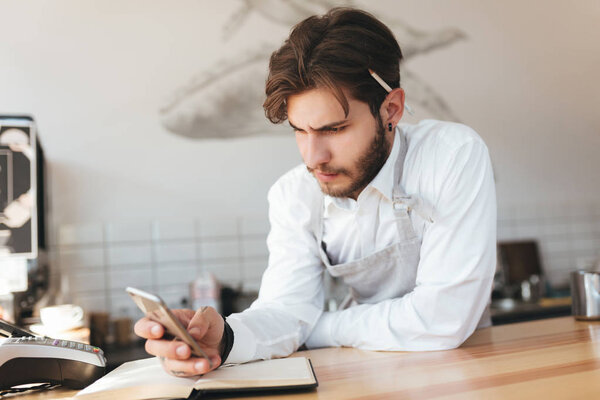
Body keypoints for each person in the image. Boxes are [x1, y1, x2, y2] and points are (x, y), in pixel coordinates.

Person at [135, 7, 496, 377]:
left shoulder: (452, 155)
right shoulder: (294, 195)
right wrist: (225, 338)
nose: (314, 158)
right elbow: (286, 310)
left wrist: (316, 327)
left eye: (335, 130)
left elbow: (445, 317)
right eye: (299, 131)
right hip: (369, 373)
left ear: (391, 109)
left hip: (467, 368)